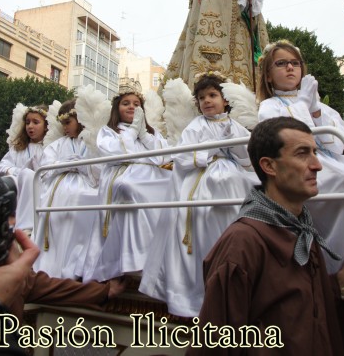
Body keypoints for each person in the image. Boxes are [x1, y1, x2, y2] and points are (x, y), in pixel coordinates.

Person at [188, 117, 344, 356]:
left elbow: (300, 307)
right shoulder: (242, 244)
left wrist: (339, 281)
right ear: (269, 166)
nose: (317, 165)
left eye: (314, 152)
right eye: (302, 153)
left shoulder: (301, 230)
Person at [256, 40, 344, 277]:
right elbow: (291, 140)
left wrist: (316, 110)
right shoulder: (269, 106)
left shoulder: (320, 106)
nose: (290, 68)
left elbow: (336, 146)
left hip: (332, 161)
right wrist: (302, 105)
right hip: (299, 166)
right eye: (281, 63)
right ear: (268, 75)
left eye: (295, 63)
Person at [140, 73, 258, 317]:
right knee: (201, 218)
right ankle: (194, 294)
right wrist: (209, 151)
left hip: (233, 175)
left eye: (212, 95)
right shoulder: (196, 126)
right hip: (202, 177)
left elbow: (247, 158)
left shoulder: (235, 125)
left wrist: (235, 144)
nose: (207, 101)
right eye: (202, 97)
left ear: (225, 100)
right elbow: (183, 157)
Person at [79, 81, 171, 283]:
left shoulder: (151, 132)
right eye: (126, 103)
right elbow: (116, 153)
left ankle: (155, 257)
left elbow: (162, 158)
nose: (131, 107)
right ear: (117, 109)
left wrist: (144, 135)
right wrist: (131, 132)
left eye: (136, 104)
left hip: (149, 178)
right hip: (122, 176)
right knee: (129, 188)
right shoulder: (110, 131)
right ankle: (127, 260)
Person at [33, 99, 101, 278]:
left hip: (85, 186)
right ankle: (50, 267)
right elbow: (45, 169)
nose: (65, 128)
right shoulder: (58, 144)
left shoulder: (91, 141)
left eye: (68, 123)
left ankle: (74, 266)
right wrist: (64, 164)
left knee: (81, 199)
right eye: (62, 124)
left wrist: (83, 165)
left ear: (79, 119)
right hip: (58, 186)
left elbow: (100, 171)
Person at [0, 104, 48, 235]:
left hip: (40, 191)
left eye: (36, 122)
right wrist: (18, 172)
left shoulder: (49, 148)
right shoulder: (18, 147)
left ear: (46, 125)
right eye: (28, 122)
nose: (30, 126)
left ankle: (27, 227)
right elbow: (2, 167)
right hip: (17, 189)